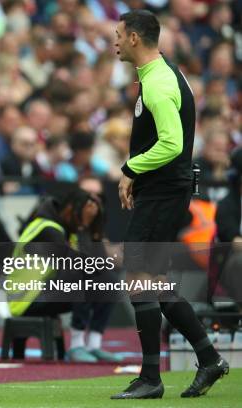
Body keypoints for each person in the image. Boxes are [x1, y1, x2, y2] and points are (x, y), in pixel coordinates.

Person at [112, 10, 228, 399]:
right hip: (165, 189)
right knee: (154, 281)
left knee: (139, 273)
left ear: (133, 38)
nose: (113, 41)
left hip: (164, 191)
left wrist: (130, 169)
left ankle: (150, 378)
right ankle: (209, 359)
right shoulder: (162, 75)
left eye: (117, 34)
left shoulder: (159, 83)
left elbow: (172, 144)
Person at [7, 188, 121, 363]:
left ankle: (93, 345)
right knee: (80, 274)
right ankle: (76, 345)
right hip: (25, 299)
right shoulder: (47, 229)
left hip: (44, 292)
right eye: (83, 218)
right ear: (70, 210)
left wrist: (95, 234)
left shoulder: (66, 229)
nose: (83, 224)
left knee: (109, 280)